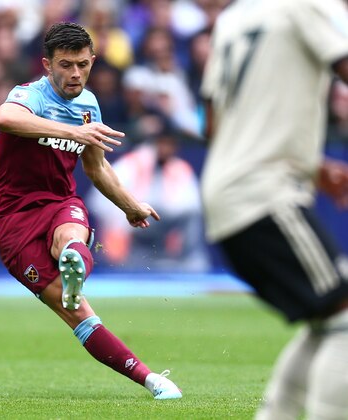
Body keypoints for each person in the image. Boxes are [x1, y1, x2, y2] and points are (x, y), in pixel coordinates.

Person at [0, 21, 182, 400]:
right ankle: (144, 375)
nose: (75, 73)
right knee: (77, 313)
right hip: (13, 220)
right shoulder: (29, 95)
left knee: (71, 237)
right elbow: (5, 119)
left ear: (92, 60)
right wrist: (73, 132)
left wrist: (130, 206)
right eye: (65, 65)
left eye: (82, 64)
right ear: (47, 65)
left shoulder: (89, 105)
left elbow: (95, 166)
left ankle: (154, 381)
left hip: (61, 203)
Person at [200, 1, 348, 418]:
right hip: (263, 194)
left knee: (328, 318)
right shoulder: (307, 5)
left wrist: (313, 168)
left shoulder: (233, 18)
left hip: (228, 192)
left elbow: (212, 124)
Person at [87, 124, 210, 272]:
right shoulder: (133, 163)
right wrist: (127, 212)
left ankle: (191, 265)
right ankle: (126, 261)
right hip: (133, 224)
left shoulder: (179, 168)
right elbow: (98, 201)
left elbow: (192, 206)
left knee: (191, 216)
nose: (166, 148)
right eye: (163, 143)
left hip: (164, 225)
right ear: (155, 143)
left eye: (171, 144)